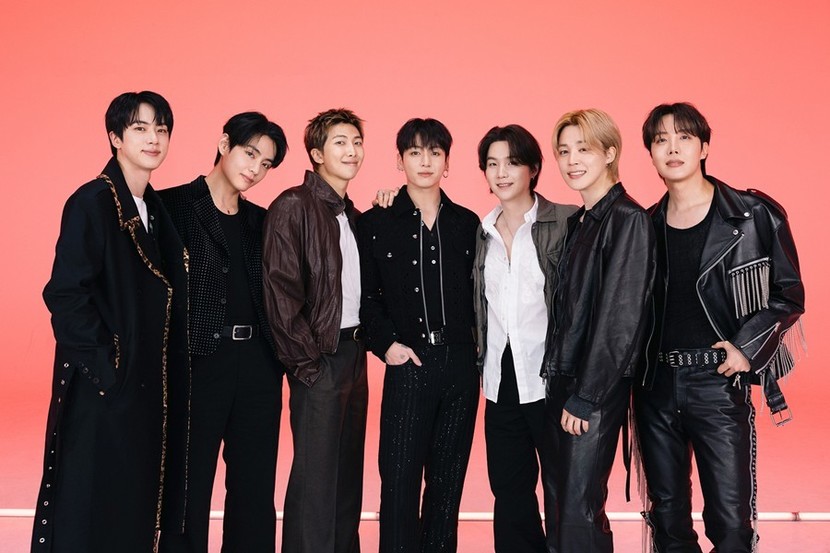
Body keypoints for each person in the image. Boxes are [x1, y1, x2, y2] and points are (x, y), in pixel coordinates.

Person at [634, 102, 805, 553]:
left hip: (717, 382)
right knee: (667, 520)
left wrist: (746, 348)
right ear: (650, 153)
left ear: (705, 147)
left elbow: (788, 294)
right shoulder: (644, 226)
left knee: (730, 523)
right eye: (661, 140)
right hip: (655, 386)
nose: (672, 149)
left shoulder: (752, 215)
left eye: (684, 137)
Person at [33, 91, 190, 553]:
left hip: (147, 388)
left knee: (131, 504)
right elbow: (65, 294)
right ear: (115, 137)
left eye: (161, 129)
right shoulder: (93, 202)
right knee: (92, 504)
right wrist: (109, 369)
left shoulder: (153, 208)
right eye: (140, 128)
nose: (153, 139)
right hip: (105, 389)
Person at [158, 112, 288, 553]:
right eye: (249, 153)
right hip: (198, 361)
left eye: (266, 164)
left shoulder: (263, 220)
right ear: (224, 144)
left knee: (255, 488)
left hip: (258, 365)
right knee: (188, 484)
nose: (255, 169)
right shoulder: (172, 206)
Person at [359, 118, 480, 553]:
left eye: (434, 152)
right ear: (399, 161)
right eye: (414, 152)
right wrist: (387, 345)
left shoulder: (469, 224)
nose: (425, 161)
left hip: (461, 366)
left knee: (447, 487)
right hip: (409, 364)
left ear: (448, 162)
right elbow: (365, 297)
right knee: (398, 484)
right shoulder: (375, 222)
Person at [544, 109, 655, 552]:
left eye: (584, 149)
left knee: (579, 510)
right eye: (564, 151)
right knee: (561, 506)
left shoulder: (627, 219)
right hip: (564, 382)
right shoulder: (580, 222)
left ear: (610, 153)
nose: (572, 160)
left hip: (592, 391)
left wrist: (586, 396)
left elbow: (620, 320)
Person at [262, 108, 368, 553]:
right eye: (340, 142)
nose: (352, 151)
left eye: (357, 142)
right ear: (317, 153)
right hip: (319, 358)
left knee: (345, 477)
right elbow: (280, 293)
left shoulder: (352, 214)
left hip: (354, 354)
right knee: (316, 482)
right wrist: (308, 367)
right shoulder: (293, 205)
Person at [472, 124, 577, 553]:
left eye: (512, 162)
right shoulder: (480, 232)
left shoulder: (568, 221)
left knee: (566, 490)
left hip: (553, 379)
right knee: (510, 492)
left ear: (534, 168)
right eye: (492, 164)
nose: (502, 173)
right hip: (501, 381)